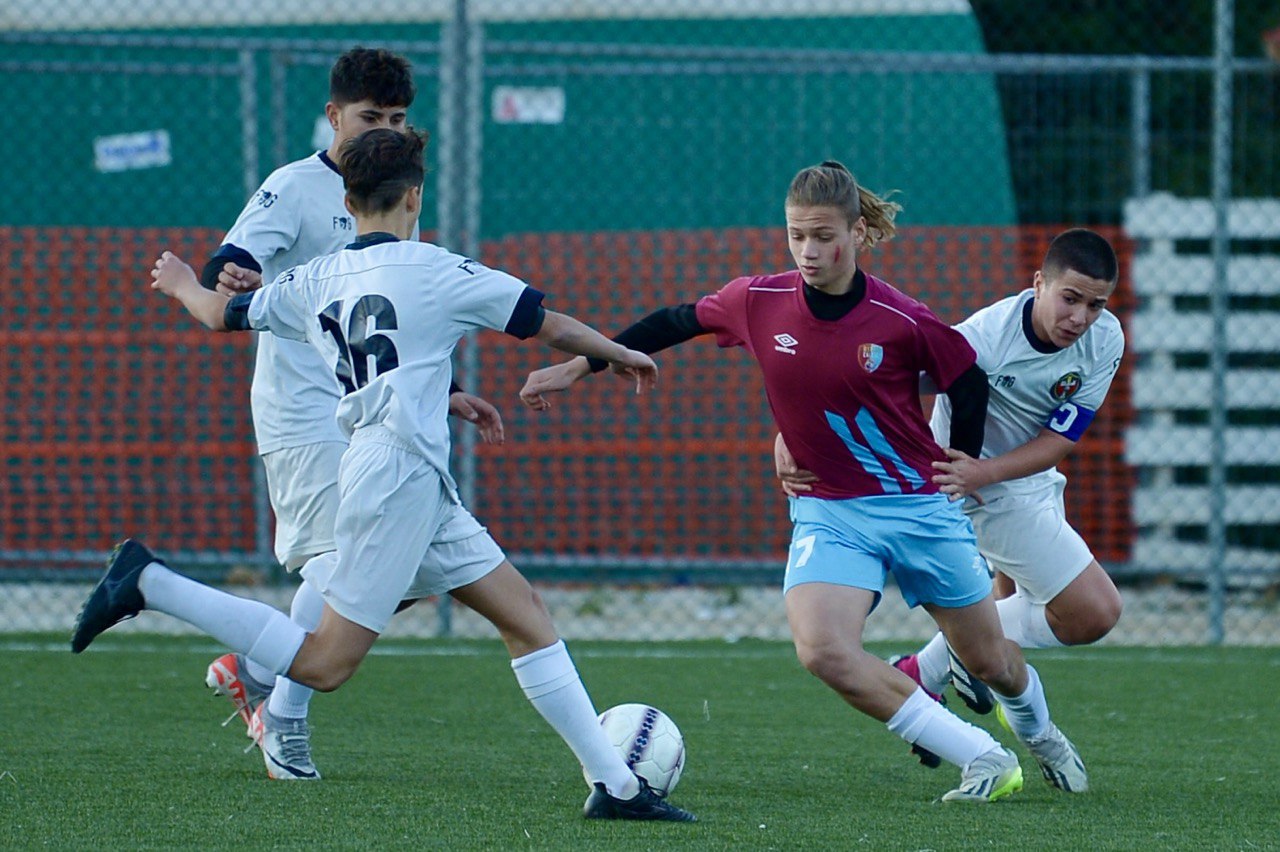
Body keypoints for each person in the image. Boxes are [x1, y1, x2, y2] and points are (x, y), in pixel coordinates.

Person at [72, 127, 696, 822]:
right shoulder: (437, 269)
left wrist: (185, 285)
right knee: (323, 665)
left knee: (526, 616)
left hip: (409, 475)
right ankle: (149, 583)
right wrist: (620, 353)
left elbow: (223, 314)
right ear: (415, 196)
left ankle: (616, 788)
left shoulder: (313, 279)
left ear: (347, 198)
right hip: (396, 478)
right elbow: (546, 323)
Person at [519, 160, 1088, 801]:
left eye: (823, 235)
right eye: (796, 235)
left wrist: (962, 458)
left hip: (918, 508)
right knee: (822, 650)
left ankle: (1043, 738)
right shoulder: (757, 300)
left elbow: (966, 378)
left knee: (995, 665)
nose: (809, 251)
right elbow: (674, 321)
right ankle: (982, 756)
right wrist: (581, 365)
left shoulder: (902, 319)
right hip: (829, 509)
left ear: (858, 234)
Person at [198, 46, 503, 779]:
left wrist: (441, 391)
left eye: (397, 118)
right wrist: (226, 272)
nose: (384, 131)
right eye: (370, 117)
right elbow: (227, 264)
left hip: (375, 419)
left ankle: (264, 668)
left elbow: (399, 314)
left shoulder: (392, 193)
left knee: (398, 570)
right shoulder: (295, 187)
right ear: (334, 115)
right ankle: (283, 714)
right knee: (350, 566)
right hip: (304, 417)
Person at [776, 228, 1125, 750]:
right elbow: (884, 379)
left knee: (1001, 633)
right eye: (1069, 299)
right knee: (1095, 612)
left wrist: (988, 472)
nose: (1080, 317)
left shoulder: (1106, 338)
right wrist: (795, 430)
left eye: (1094, 305)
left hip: (1020, 478)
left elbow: (1058, 441)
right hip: (966, 482)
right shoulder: (983, 338)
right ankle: (946, 667)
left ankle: (931, 666)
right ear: (1038, 285)